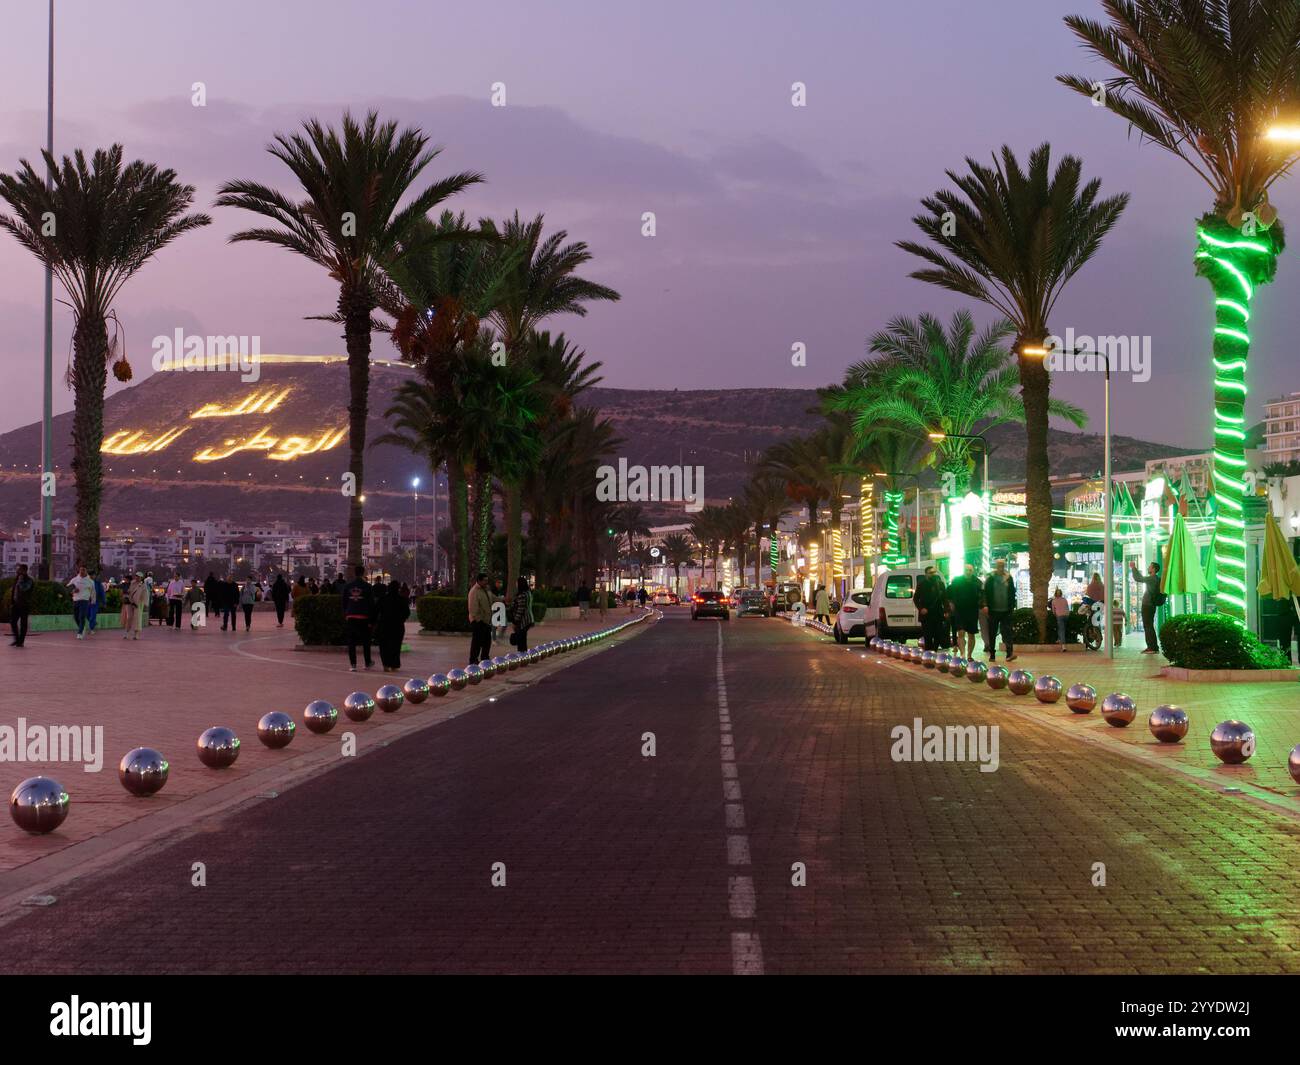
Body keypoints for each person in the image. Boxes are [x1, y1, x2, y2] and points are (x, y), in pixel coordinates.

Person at [341, 565, 376, 671]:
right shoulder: (368, 586)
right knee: (366, 641)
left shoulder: (348, 586)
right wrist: (371, 620)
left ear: (354, 573)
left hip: (351, 616)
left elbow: (344, 602)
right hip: (364, 617)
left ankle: (353, 665)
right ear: (363, 573)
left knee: (351, 641)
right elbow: (371, 604)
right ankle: (367, 662)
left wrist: (346, 614)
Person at [981, 558, 1017, 662]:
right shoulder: (990, 578)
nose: (1001, 567)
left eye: (1002, 565)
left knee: (1007, 632)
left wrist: (1012, 606)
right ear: (996, 566)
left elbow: (1012, 592)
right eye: (999, 565)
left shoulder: (1008, 578)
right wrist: (985, 605)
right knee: (992, 633)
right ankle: (992, 654)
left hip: (1006, 611)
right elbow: (985, 592)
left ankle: (1009, 653)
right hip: (993, 610)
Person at [946, 563, 982, 659]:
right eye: (966, 569)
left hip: (972, 611)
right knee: (960, 633)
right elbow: (950, 593)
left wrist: (982, 605)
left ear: (972, 571)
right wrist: (951, 604)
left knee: (971, 634)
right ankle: (963, 654)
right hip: (960, 610)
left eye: (970, 570)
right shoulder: (957, 581)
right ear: (963, 570)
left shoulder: (977, 582)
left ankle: (969, 655)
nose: (968, 571)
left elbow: (982, 595)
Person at [1129, 560, 1163, 655]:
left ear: (1154, 569)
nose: (1148, 567)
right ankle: (1153, 646)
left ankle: (1151, 647)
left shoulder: (1152, 579)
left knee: (1147, 626)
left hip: (1148, 605)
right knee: (1149, 625)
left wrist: (1133, 567)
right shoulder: (1155, 579)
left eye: (1150, 566)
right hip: (1150, 605)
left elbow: (1138, 578)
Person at [376, 581, 410, 673]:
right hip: (397, 626)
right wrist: (401, 619)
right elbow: (407, 613)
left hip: (384, 626)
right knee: (396, 646)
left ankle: (386, 664)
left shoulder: (383, 599)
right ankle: (394, 665)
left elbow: (376, 611)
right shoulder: (402, 600)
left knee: (384, 646)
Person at [913, 565, 945, 650]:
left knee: (938, 635)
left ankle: (934, 651)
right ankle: (928, 653)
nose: (933, 574)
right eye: (931, 573)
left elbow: (944, 598)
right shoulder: (921, 584)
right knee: (928, 636)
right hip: (926, 615)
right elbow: (915, 598)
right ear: (926, 574)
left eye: (934, 572)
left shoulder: (940, 584)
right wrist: (921, 608)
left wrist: (947, 611)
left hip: (938, 614)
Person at [468, 572, 494, 665]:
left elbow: (492, 598)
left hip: (486, 621)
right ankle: (473, 660)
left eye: (487, 580)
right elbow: (473, 608)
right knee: (477, 642)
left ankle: (485, 658)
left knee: (487, 641)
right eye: (485, 580)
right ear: (479, 581)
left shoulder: (485, 590)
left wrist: (503, 600)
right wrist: (478, 620)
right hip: (478, 621)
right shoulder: (474, 591)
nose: (487, 582)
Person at [66, 565, 95, 640]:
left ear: (86, 571)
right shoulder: (74, 580)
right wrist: (73, 591)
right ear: (79, 571)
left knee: (82, 617)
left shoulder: (90, 581)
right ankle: (82, 628)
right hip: (75, 600)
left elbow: (93, 592)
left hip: (85, 601)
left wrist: (93, 600)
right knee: (76, 617)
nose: (82, 571)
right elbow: (68, 588)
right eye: (81, 570)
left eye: (83, 570)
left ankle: (80, 633)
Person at [9, 563, 34, 647]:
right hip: (16, 604)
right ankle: (16, 639)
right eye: (18, 569)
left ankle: (21, 642)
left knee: (23, 624)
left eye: (19, 569)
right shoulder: (17, 579)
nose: (17, 571)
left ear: (24, 571)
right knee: (13, 622)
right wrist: (12, 602)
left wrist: (21, 581)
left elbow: (24, 589)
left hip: (24, 605)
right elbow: (14, 592)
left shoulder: (29, 580)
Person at [509, 576, 534, 652]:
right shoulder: (528, 593)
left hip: (523, 621)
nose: (516, 584)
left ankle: (522, 656)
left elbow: (520, 609)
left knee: (521, 640)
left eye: (517, 583)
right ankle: (523, 656)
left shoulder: (522, 595)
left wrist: (515, 622)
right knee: (523, 639)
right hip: (528, 619)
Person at [124, 572, 147, 640]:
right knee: (129, 617)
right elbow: (129, 592)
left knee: (137, 618)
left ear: (141, 577)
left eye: (139, 576)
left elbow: (144, 595)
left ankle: (136, 634)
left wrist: (144, 604)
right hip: (130, 602)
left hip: (138, 604)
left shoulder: (143, 585)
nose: (137, 577)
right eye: (136, 576)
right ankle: (127, 632)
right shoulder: (132, 583)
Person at [1051, 587, 1070, 651]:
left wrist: (1055, 614)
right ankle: (1059, 639)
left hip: (1059, 615)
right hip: (1066, 615)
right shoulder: (1064, 599)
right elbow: (1067, 607)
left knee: (1061, 629)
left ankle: (1063, 646)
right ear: (1061, 594)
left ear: (1055, 594)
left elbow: (1053, 611)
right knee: (1062, 628)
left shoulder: (1054, 601)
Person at [89, 571, 105, 635]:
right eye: (90, 575)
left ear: (95, 576)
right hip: (86, 602)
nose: (91, 576)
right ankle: (94, 622)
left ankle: (91, 629)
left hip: (95, 602)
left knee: (92, 616)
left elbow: (102, 593)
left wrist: (104, 602)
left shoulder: (98, 583)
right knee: (88, 615)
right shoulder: (86, 583)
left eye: (93, 575)